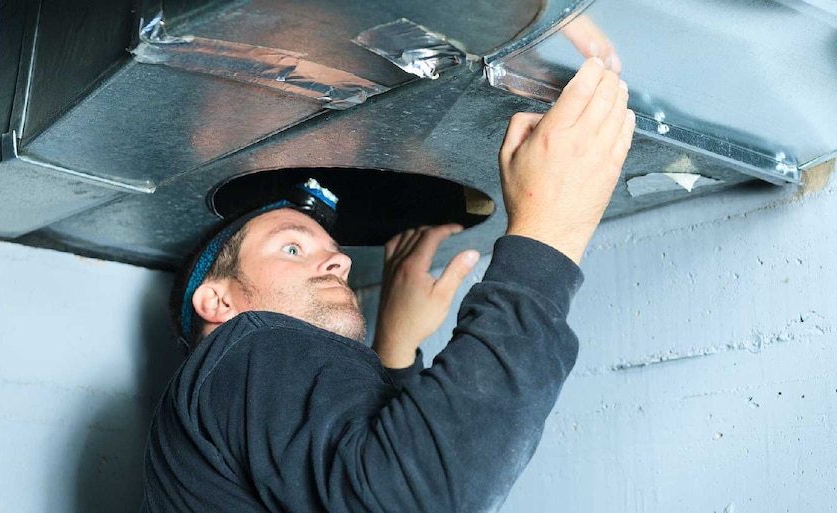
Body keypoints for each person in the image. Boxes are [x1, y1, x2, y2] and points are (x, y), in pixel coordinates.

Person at [142, 57, 635, 512]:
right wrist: (547, 233)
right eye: (293, 248)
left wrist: (394, 355)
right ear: (218, 300)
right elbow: (414, 493)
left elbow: (364, 471)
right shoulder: (246, 346)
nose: (338, 262)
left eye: (334, 253)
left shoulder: (223, 405)